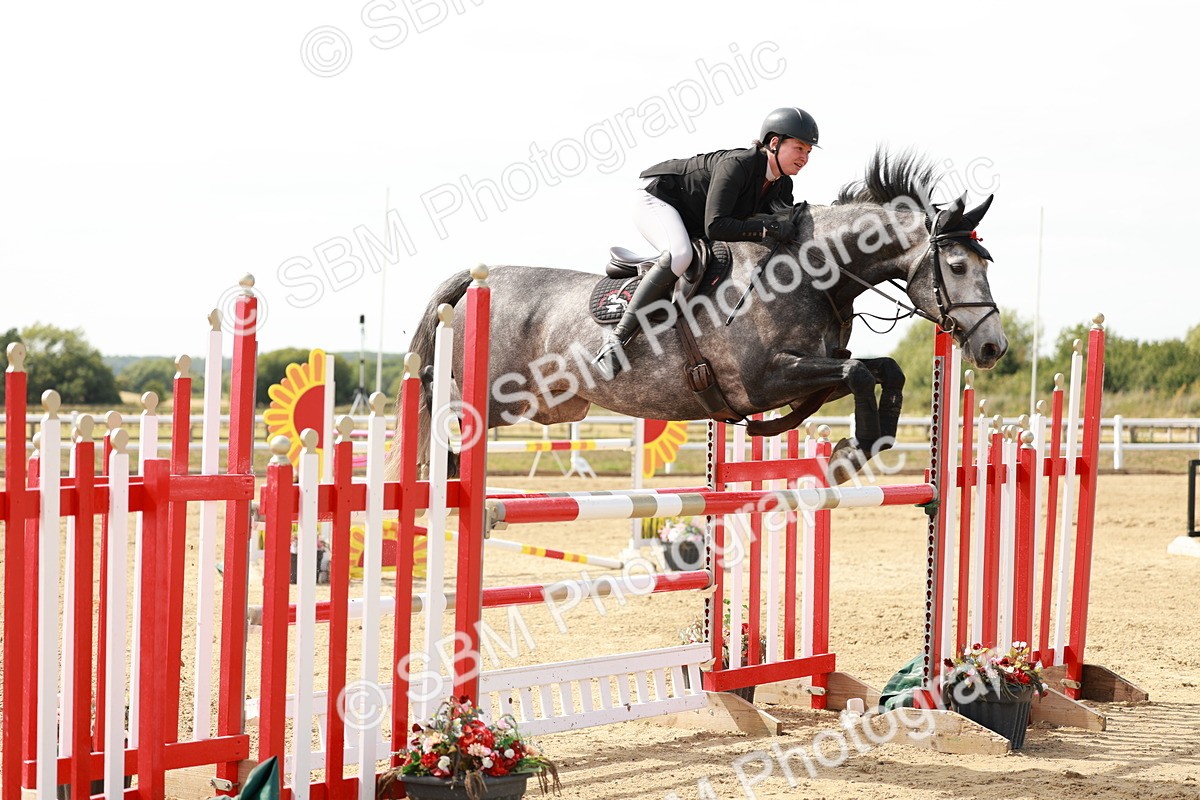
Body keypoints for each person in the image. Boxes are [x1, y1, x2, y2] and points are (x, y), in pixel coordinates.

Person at [594, 106, 819, 378]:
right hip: (657, 198)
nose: (805, 158)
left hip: (693, 215)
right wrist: (769, 226)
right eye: (799, 148)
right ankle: (615, 341)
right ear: (775, 142)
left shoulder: (782, 185)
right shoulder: (737, 165)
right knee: (680, 255)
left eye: (808, 152)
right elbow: (716, 226)